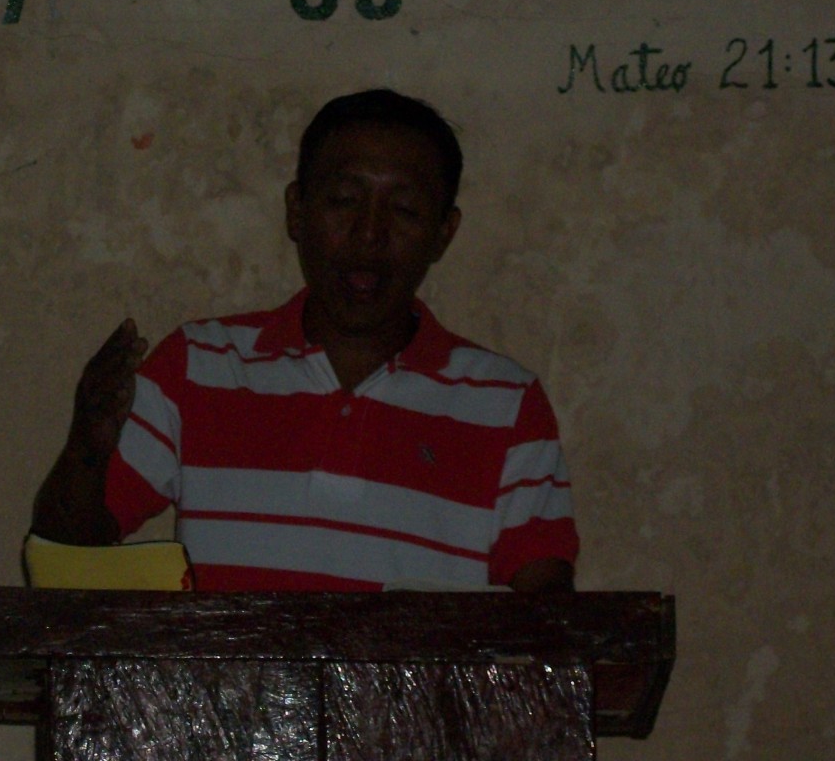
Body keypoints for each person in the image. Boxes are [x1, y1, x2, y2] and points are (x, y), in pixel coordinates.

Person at [31, 89, 578, 592]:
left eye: (405, 210)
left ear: (443, 234)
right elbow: (66, 560)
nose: (370, 233)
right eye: (344, 199)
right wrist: (87, 448)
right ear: (297, 211)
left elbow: (548, 627)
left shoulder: (507, 406)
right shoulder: (200, 366)